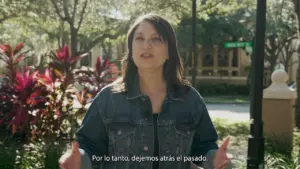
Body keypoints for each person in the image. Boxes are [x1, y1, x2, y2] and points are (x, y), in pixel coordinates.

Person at [59, 13, 233, 169]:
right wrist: (79, 159)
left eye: (156, 39)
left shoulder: (189, 99)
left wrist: (215, 159)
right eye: (139, 38)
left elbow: (205, 146)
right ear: (131, 49)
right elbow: (88, 146)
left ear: (169, 52)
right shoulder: (109, 99)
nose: (146, 45)